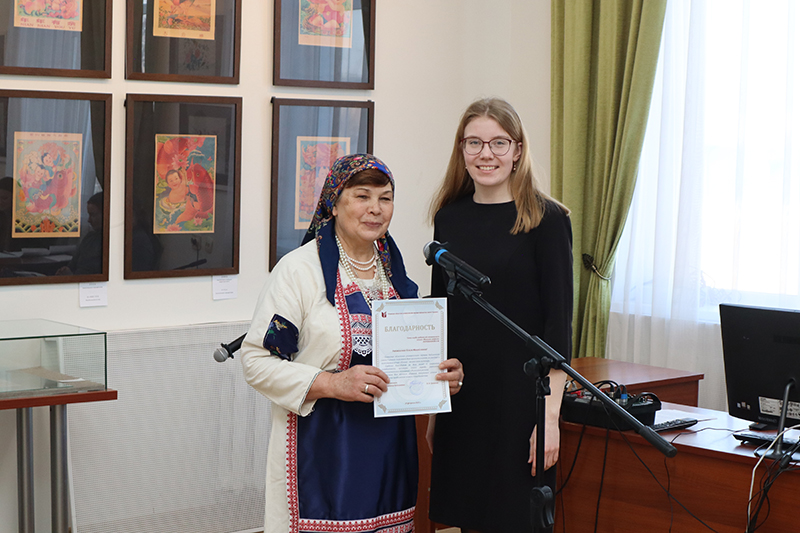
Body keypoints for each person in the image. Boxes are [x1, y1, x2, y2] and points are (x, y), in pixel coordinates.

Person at [241, 154, 465, 533]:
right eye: (362, 196)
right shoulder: (299, 271)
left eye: (385, 198)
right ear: (334, 203)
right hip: (320, 458)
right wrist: (333, 383)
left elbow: (408, 360)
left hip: (390, 459)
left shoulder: (395, 274)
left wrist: (440, 377)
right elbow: (256, 362)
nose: (375, 209)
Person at [426, 98, 573, 533]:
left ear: (517, 150)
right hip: (463, 396)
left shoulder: (547, 220)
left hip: (522, 400)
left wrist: (548, 419)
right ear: (462, 150)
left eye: (498, 143)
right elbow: (439, 317)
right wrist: (434, 409)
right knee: (465, 517)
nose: (485, 154)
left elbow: (558, 326)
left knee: (514, 519)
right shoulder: (448, 217)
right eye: (474, 142)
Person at [56, 191, 104, 275]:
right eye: (89, 215)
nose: (89, 220)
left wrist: (71, 276)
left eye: (93, 215)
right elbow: (72, 265)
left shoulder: (111, 243)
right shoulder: (89, 238)